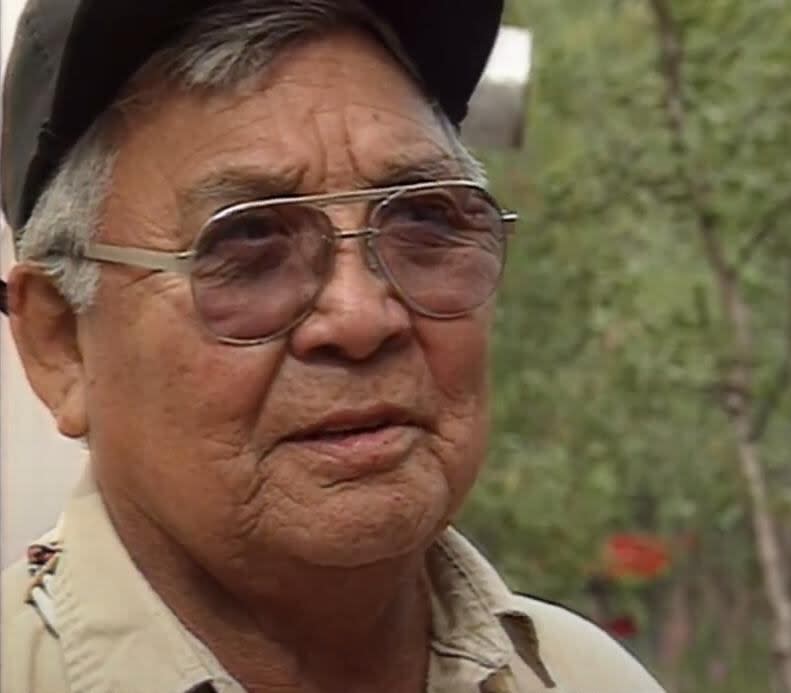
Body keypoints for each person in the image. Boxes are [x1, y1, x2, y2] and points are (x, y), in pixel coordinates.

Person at [0, 1, 666, 691]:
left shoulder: (582, 676)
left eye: (422, 221)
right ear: (61, 346)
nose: (360, 317)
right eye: (248, 245)